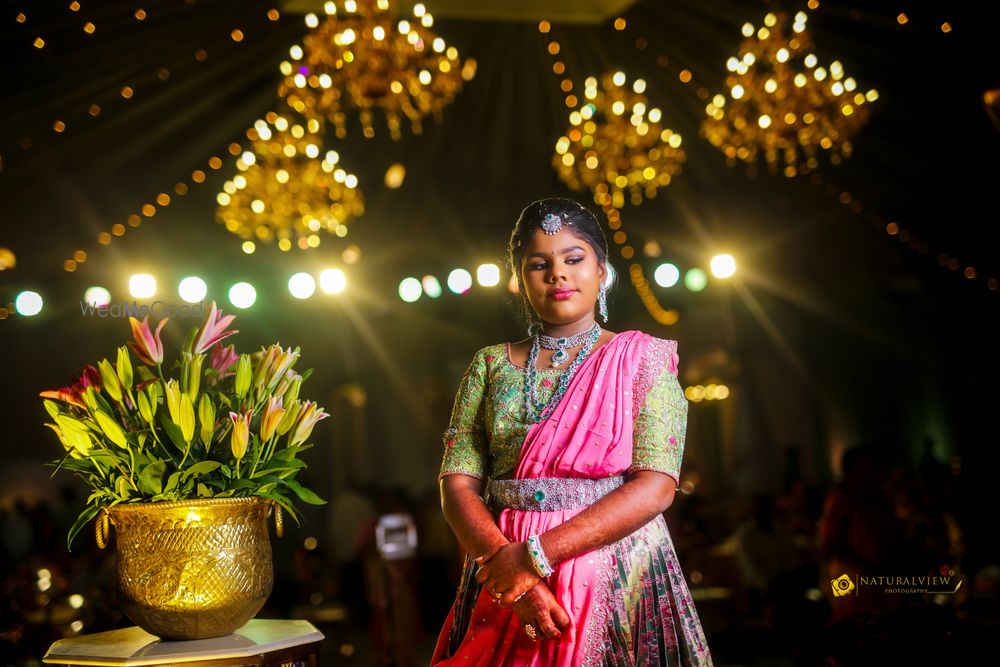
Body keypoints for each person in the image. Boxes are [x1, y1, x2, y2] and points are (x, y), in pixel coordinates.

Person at [430, 198, 713, 665]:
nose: (557, 274)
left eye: (574, 259)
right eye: (539, 264)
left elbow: (657, 487)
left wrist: (534, 558)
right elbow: (456, 484)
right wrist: (507, 572)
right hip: (501, 566)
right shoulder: (489, 365)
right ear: (521, 279)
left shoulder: (643, 360)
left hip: (613, 565)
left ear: (602, 271)